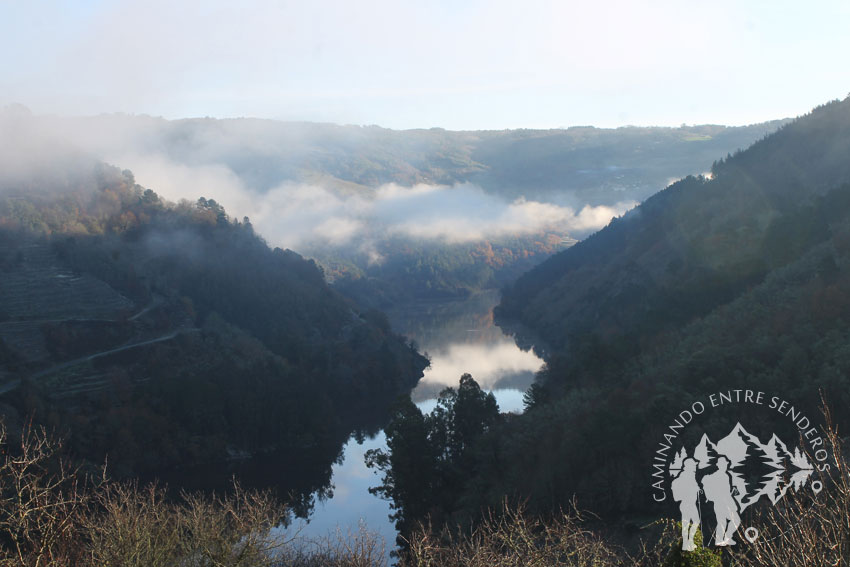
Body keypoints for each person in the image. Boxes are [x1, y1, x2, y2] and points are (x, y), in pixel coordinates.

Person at [701, 456, 741, 545]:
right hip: (722, 503)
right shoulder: (720, 476)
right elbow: (722, 492)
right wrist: (732, 492)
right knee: (730, 521)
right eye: (723, 464)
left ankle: (723, 539)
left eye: (725, 464)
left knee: (725, 522)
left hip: (724, 502)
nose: (725, 465)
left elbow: (725, 492)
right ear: (719, 465)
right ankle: (723, 539)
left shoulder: (726, 475)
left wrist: (732, 491)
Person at [671, 457, 701, 550]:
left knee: (693, 522)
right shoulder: (685, 476)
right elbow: (682, 494)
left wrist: (697, 489)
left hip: (691, 504)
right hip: (687, 504)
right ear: (688, 467)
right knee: (687, 523)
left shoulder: (691, 476)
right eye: (693, 466)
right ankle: (687, 543)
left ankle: (688, 542)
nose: (695, 468)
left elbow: (694, 487)